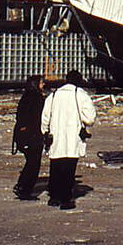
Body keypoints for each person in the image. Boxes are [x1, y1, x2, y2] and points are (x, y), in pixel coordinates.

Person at [41, 69, 96, 210]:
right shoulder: (81, 95)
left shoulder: (53, 96)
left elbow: (45, 117)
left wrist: (45, 131)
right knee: (69, 168)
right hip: (73, 137)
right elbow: (90, 118)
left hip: (55, 136)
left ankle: (54, 197)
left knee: (56, 166)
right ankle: (66, 199)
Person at [11, 75, 46, 200]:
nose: (44, 85)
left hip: (24, 135)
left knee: (31, 162)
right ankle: (24, 188)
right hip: (32, 135)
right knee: (33, 163)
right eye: (42, 82)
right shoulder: (36, 98)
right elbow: (35, 117)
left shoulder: (26, 96)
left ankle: (23, 186)